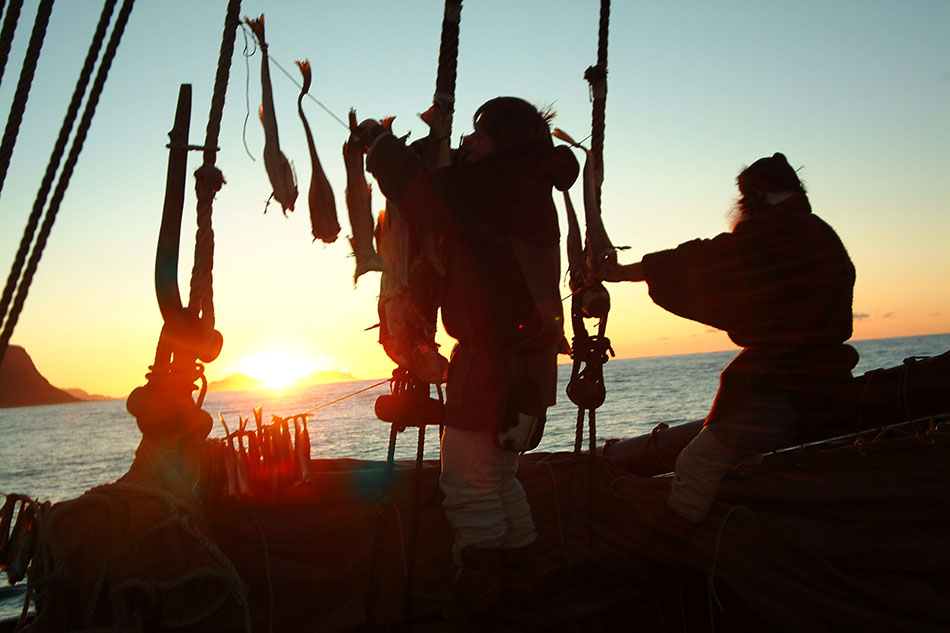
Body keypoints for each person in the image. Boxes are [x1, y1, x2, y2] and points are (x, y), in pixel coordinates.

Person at [356, 97, 579, 614]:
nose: (470, 143)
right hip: (526, 363)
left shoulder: (499, 187)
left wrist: (380, 144)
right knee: (499, 481)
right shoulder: (525, 182)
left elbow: (427, 197)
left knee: (467, 487)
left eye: (481, 135)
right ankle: (523, 588)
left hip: (491, 363)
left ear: (504, 141)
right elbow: (455, 190)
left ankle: (485, 602)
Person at [601, 153, 857, 525]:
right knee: (745, 464)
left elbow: (706, 259)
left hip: (788, 384)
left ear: (757, 195)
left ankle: (675, 554)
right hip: (819, 377)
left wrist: (624, 273)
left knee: (697, 462)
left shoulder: (779, 234)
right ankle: (738, 537)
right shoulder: (815, 231)